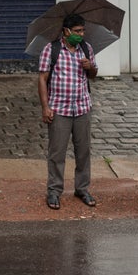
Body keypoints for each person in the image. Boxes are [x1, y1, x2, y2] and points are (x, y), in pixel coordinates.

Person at [38, 13, 98, 210]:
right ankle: (54, 191)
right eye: (77, 31)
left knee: (83, 152)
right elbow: (42, 79)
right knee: (57, 153)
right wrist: (45, 107)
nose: (81, 34)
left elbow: (94, 75)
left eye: (83, 30)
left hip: (82, 108)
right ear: (66, 31)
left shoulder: (86, 49)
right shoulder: (52, 49)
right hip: (59, 110)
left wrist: (91, 67)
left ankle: (82, 188)